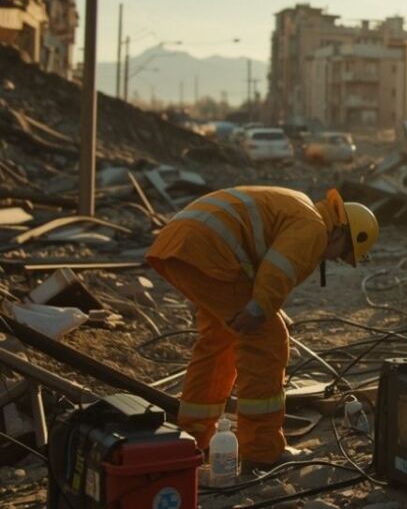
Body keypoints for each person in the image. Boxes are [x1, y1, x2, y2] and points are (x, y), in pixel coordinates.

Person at [145, 186, 379, 467]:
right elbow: (278, 270)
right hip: (208, 252)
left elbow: (263, 261)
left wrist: (265, 307)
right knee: (266, 339)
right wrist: (259, 311)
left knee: (219, 340)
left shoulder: (301, 206)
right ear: (341, 232)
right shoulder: (315, 228)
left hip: (183, 245)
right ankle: (262, 451)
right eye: (342, 254)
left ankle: (193, 440)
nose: (333, 259)